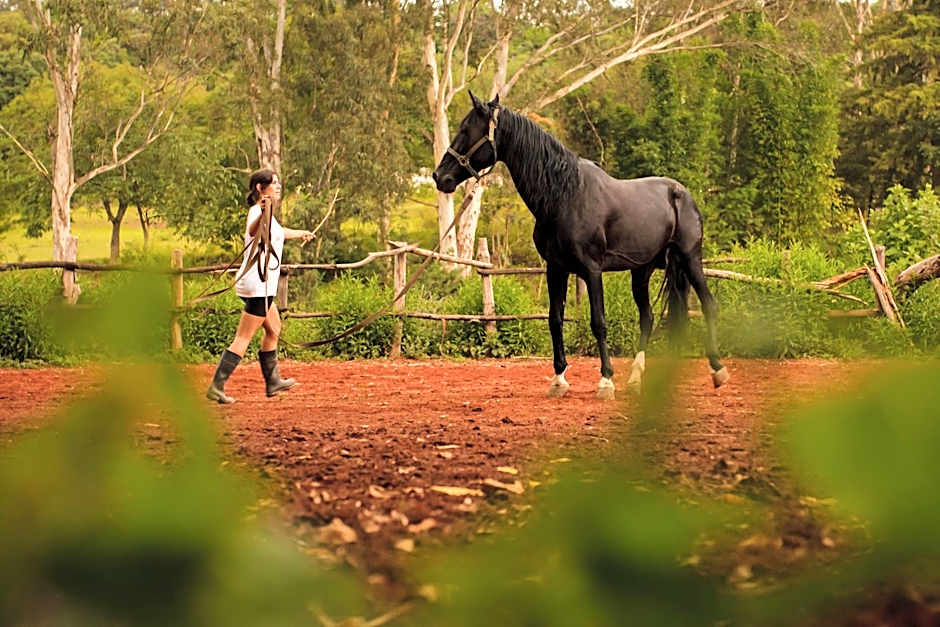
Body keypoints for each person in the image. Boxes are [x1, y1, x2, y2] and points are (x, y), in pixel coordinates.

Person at [206, 169, 315, 404]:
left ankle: (273, 381)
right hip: (258, 286)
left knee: (274, 329)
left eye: (278, 182)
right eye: (273, 183)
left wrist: (300, 234)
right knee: (243, 338)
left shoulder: (269, 213)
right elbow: (253, 230)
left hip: (263, 287)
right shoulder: (257, 212)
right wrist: (263, 213)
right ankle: (217, 386)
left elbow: (278, 232)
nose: (278, 186)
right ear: (260, 188)